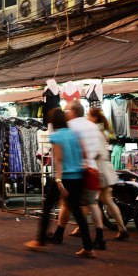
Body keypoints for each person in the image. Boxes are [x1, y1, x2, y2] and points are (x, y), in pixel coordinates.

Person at [25, 108, 95, 258]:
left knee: (47, 207)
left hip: (64, 178)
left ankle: (40, 241)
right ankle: (88, 248)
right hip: (78, 177)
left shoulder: (56, 136)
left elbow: (59, 159)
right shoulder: (75, 134)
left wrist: (58, 180)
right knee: (78, 213)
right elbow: (84, 153)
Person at [47, 101, 107, 250]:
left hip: (75, 171)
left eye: (66, 110)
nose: (65, 113)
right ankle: (99, 237)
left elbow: (62, 154)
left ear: (73, 112)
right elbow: (99, 149)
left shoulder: (70, 127)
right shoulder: (93, 127)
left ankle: (60, 234)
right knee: (92, 204)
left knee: (68, 204)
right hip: (92, 168)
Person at [88, 108, 129, 240]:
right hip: (104, 168)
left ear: (94, 118)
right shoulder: (101, 131)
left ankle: (96, 230)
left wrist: (86, 156)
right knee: (106, 200)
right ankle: (122, 228)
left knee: (91, 200)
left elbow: (97, 151)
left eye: (89, 116)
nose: (87, 118)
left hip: (99, 169)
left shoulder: (95, 132)